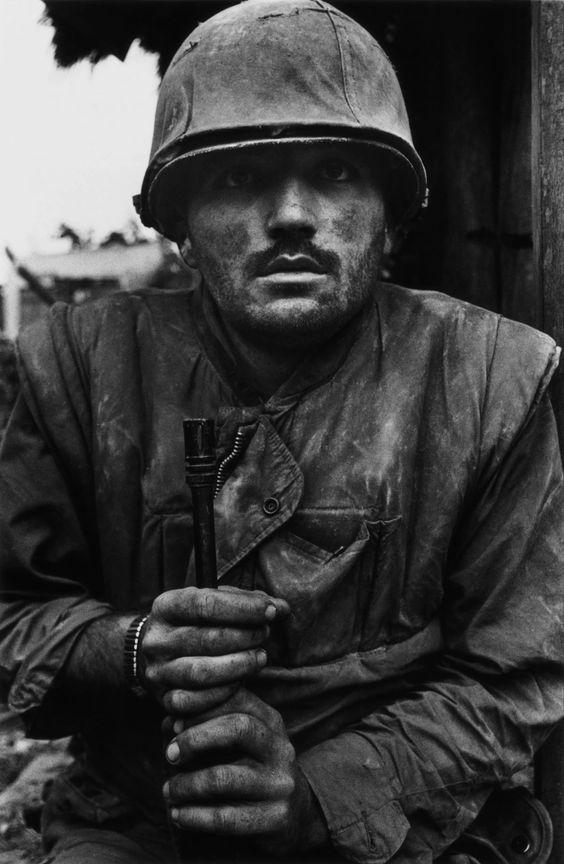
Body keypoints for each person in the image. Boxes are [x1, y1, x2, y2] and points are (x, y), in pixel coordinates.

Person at [0, 1, 562, 862]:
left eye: (335, 172)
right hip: (142, 816)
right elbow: (12, 612)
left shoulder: (494, 379)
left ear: (390, 214)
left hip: (407, 820)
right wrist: (131, 648)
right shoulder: (74, 369)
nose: (293, 214)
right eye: (238, 177)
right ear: (181, 224)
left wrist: (323, 798)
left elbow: (515, 675)